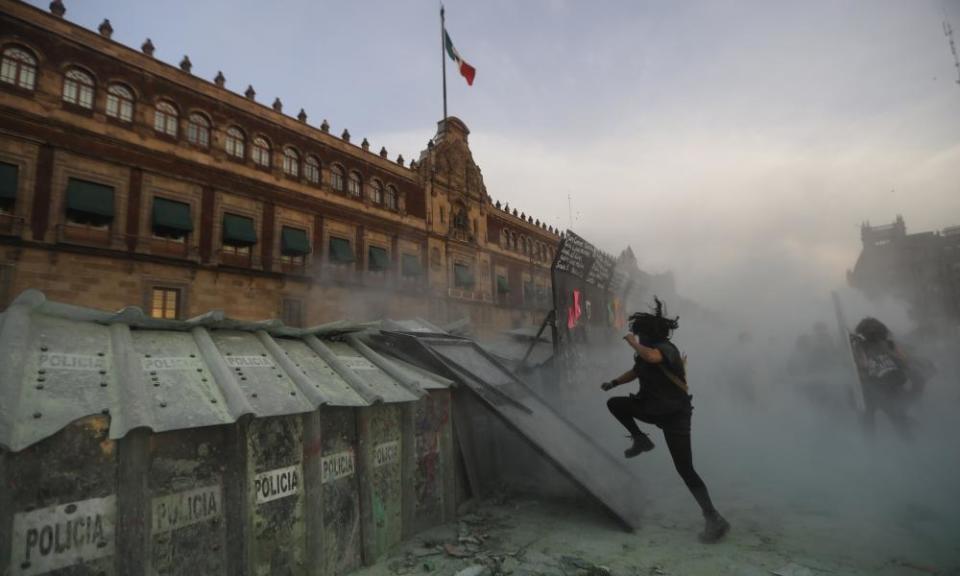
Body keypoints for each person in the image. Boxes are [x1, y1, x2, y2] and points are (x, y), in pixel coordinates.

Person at [601, 297, 730, 543]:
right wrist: (614, 383)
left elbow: (651, 358)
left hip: (674, 415)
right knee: (615, 404)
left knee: (685, 469)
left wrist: (631, 343)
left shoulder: (666, 349)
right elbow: (638, 370)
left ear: (648, 334)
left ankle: (713, 518)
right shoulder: (647, 351)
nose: (637, 339)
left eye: (639, 335)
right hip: (651, 408)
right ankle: (641, 440)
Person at [851, 317, 926, 441]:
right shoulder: (860, 347)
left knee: (899, 422)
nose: (874, 336)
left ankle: (909, 442)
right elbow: (861, 366)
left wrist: (891, 352)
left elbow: (904, 362)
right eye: (870, 332)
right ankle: (870, 448)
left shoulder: (889, 344)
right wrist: (856, 346)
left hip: (891, 388)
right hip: (872, 390)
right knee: (870, 421)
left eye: (876, 333)